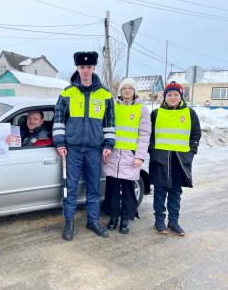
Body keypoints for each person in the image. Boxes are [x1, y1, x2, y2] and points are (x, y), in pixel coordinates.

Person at [52, 51, 115, 241]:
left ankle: (93, 221)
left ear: (94, 68)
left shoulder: (105, 95)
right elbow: (59, 120)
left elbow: (109, 123)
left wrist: (108, 145)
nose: (85, 71)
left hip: (95, 150)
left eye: (88, 67)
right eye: (82, 67)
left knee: (94, 187)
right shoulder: (67, 93)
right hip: (73, 150)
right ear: (77, 68)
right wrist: (60, 142)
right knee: (70, 188)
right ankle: (69, 222)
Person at [149, 81, 201, 236]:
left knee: (175, 192)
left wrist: (191, 152)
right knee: (159, 191)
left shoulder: (190, 113)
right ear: (165, 97)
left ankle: (173, 221)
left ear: (181, 96)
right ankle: (159, 221)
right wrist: (153, 150)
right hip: (161, 159)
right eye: (169, 94)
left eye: (175, 94)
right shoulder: (156, 113)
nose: (172, 97)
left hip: (180, 160)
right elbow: (149, 135)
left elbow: (196, 135)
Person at [103, 78, 151, 234]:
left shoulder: (142, 109)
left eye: (130, 88)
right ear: (120, 91)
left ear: (135, 91)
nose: (127, 91)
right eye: (124, 88)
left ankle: (125, 219)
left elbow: (144, 135)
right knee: (112, 190)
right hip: (113, 156)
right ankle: (113, 218)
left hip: (130, 158)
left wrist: (139, 156)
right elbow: (106, 128)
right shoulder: (113, 106)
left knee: (129, 191)